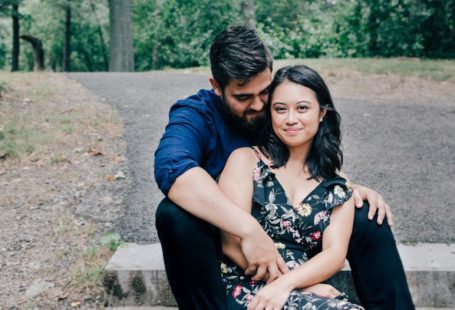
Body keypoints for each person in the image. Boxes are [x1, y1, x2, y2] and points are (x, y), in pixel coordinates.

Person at [154, 26, 414, 310]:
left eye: (265, 92)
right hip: (230, 241)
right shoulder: (198, 116)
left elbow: (306, 155)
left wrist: (346, 189)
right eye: (243, 97)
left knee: (366, 212)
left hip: (296, 236)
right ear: (217, 86)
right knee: (174, 214)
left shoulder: (278, 107)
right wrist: (249, 230)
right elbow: (173, 169)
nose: (258, 105)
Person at [219, 64, 363, 309]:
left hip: (298, 285)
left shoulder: (337, 185)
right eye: (280, 109)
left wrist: (289, 285)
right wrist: (289, 285)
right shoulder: (245, 160)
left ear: (321, 113)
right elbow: (230, 243)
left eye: (302, 108)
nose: (290, 119)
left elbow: (335, 255)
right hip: (246, 284)